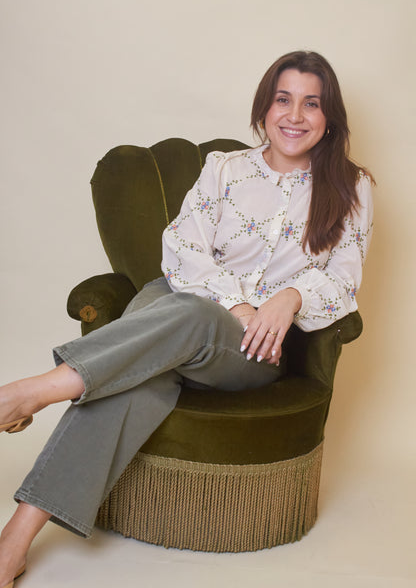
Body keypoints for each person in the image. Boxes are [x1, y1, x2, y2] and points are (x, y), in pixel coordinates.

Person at [0, 50, 373, 587]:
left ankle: (34, 391)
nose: (295, 115)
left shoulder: (352, 186)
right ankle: (15, 541)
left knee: (189, 319)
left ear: (329, 115)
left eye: (311, 103)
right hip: (174, 303)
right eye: (282, 99)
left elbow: (343, 281)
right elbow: (181, 249)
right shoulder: (223, 167)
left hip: (250, 349)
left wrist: (290, 297)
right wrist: (237, 303)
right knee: (136, 376)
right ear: (264, 108)